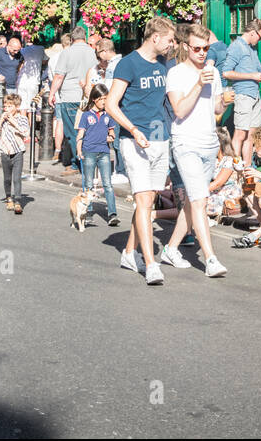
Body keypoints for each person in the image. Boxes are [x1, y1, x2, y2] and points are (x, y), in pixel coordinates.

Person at [105, 16, 176, 285]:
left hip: (160, 139)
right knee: (144, 201)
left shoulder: (165, 64)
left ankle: (127, 253)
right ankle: (150, 264)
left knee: (146, 203)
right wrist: (133, 130)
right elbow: (112, 104)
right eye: (169, 39)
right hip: (134, 141)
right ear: (155, 38)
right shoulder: (128, 63)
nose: (172, 44)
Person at [156, 24, 229, 277]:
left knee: (191, 203)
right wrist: (199, 84)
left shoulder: (214, 73)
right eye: (197, 48)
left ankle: (171, 248)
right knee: (199, 200)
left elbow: (217, 109)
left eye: (206, 48)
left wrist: (224, 101)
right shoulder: (176, 74)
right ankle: (210, 259)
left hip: (209, 143)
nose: (202, 53)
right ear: (186, 47)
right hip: (185, 142)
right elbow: (179, 110)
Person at [221, 19, 261, 167]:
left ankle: (247, 171)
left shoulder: (252, 49)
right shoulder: (237, 46)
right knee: (240, 134)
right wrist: (251, 76)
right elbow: (226, 73)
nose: (260, 40)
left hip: (255, 95)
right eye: (260, 37)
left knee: (251, 136)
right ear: (252, 33)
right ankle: (234, 170)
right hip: (243, 95)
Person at [50, 26, 98, 175]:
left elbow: (59, 76)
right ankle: (89, 161)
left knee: (73, 131)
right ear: (85, 37)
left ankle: (79, 163)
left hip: (69, 97)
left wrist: (52, 93)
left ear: (71, 39)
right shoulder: (92, 52)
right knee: (88, 130)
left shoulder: (67, 52)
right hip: (87, 96)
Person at [73, 83, 116, 229]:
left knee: (108, 184)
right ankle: (88, 211)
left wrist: (111, 136)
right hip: (89, 151)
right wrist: (79, 150)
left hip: (104, 151)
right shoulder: (86, 115)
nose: (104, 101)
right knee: (88, 184)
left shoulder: (108, 115)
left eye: (106, 98)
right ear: (95, 99)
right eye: (102, 99)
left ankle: (112, 214)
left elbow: (112, 132)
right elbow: (80, 134)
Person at [0, 92, 30, 214]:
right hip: (5, 151)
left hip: (17, 151)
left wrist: (14, 122)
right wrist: (0, 121)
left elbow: (25, 133)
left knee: (17, 178)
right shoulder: (3, 120)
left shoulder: (22, 119)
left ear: (16, 107)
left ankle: (18, 201)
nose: (7, 109)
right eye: (5, 106)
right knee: (7, 178)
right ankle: (9, 198)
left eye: (10, 106)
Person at [206, 127, 243, 222]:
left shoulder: (229, 160)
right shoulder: (214, 160)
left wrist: (197, 192)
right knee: (188, 202)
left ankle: (161, 214)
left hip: (227, 195)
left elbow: (218, 183)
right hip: (216, 193)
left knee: (195, 204)